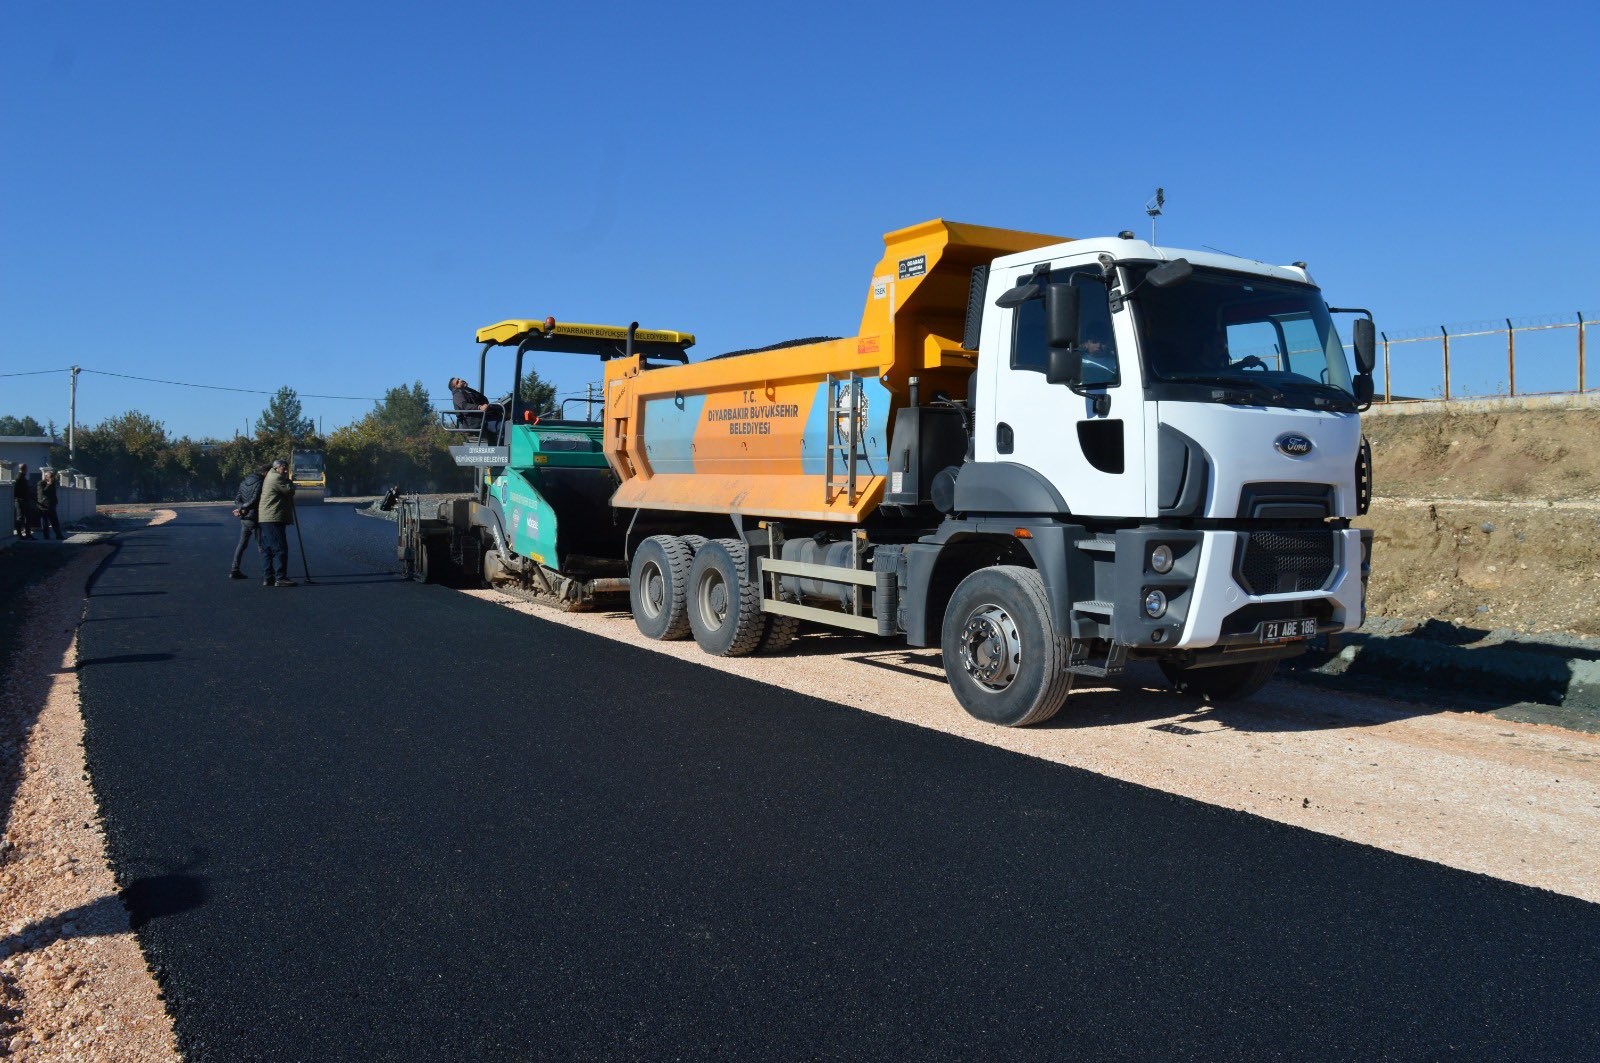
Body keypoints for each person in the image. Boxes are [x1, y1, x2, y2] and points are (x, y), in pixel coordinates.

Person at [257, 458, 297, 587]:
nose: (285, 471)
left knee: (267, 549)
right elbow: (289, 491)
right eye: (283, 468)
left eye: (286, 468)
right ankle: (280, 578)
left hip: (266, 518)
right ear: (276, 468)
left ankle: (268, 577)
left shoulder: (270, 476)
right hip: (273, 518)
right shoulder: (276, 478)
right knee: (280, 548)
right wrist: (290, 482)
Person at [229, 463, 269, 579]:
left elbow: (237, 499)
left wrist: (241, 508)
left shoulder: (243, 482)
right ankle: (267, 573)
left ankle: (234, 569)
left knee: (241, 545)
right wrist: (245, 507)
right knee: (262, 545)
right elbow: (255, 499)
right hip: (256, 517)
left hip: (245, 518)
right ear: (265, 472)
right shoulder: (261, 482)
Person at [35, 469, 64, 540]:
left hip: (51, 505)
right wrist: (48, 484)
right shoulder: (41, 483)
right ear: (46, 477)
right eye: (50, 476)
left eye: (52, 476)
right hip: (43, 506)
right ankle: (46, 536)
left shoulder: (52, 483)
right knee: (45, 522)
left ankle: (59, 535)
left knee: (55, 521)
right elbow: (43, 493)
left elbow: (53, 494)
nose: (52, 478)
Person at [12, 464, 35, 541]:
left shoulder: (22, 477)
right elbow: (15, 491)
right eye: (26, 469)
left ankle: (28, 534)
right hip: (20, 500)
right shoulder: (18, 478)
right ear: (24, 469)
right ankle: (20, 534)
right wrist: (18, 499)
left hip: (25, 500)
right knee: (20, 518)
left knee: (28, 518)